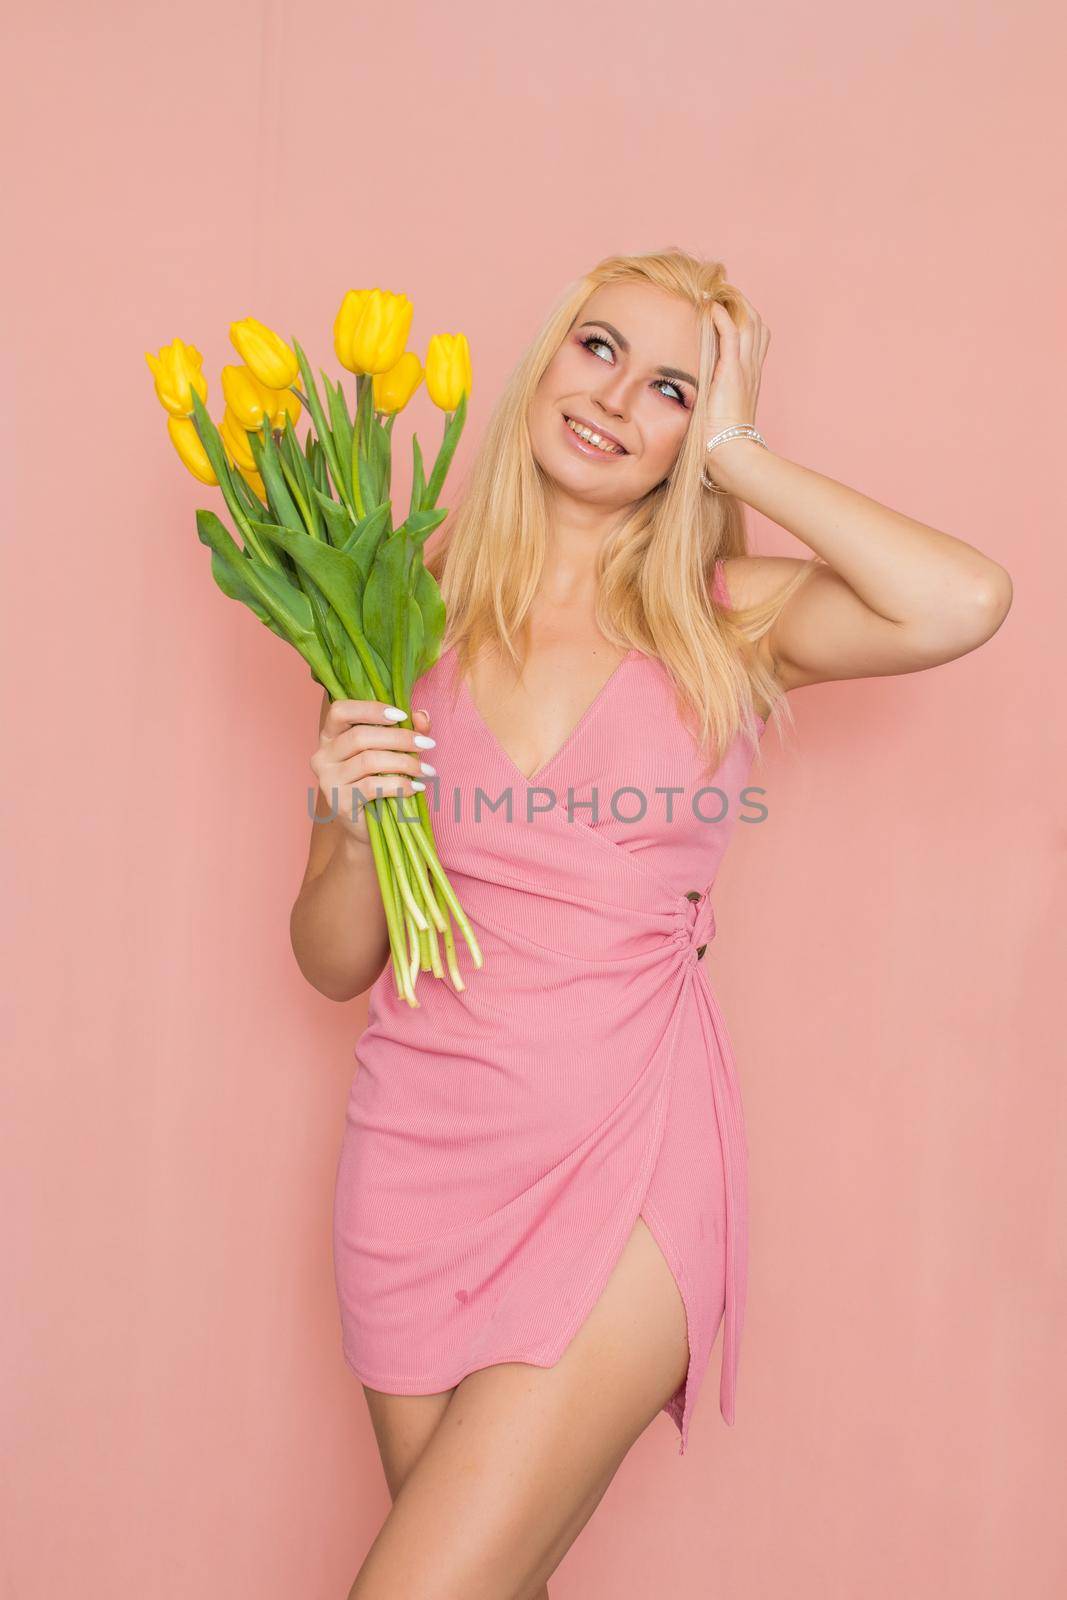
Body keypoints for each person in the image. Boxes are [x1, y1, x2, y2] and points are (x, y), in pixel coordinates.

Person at [289, 248, 1012, 1599]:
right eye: (601, 349)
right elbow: (335, 960)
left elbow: (962, 599)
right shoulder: (395, 608)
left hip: (623, 1163)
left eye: (674, 387)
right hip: (412, 1163)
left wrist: (743, 460)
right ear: (546, 363)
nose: (619, 399)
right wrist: (336, 815)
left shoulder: (719, 619)